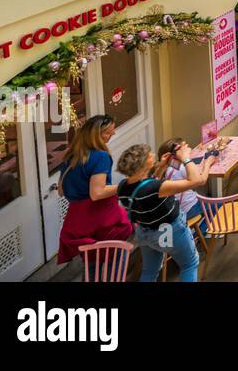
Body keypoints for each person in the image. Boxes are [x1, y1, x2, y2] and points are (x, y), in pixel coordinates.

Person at [116, 142, 211, 282]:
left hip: (145, 233)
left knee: (149, 271)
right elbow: (196, 180)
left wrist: (162, 167)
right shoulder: (156, 188)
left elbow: (146, 187)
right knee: (189, 265)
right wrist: (185, 158)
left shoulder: (122, 187)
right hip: (169, 231)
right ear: (143, 166)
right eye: (150, 155)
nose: (153, 154)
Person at [56, 114, 133, 264]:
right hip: (101, 218)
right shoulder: (100, 156)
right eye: (108, 132)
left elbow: (60, 190)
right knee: (115, 261)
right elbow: (97, 193)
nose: (113, 134)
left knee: (93, 264)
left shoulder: (70, 156)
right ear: (95, 136)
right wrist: (126, 185)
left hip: (79, 221)